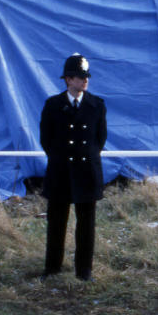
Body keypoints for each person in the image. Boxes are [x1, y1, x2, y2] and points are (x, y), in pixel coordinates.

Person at [39, 53, 108, 281]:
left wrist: (85, 156)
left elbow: (100, 138)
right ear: (68, 79)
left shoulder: (97, 105)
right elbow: (46, 140)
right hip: (60, 172)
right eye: (79, 77)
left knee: (86, 224)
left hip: (87, 171)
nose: (84, 80)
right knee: (57, 222)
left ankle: (84, 270)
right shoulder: (53, 105)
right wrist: (60, 158)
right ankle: (52, 268)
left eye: (86, 76)